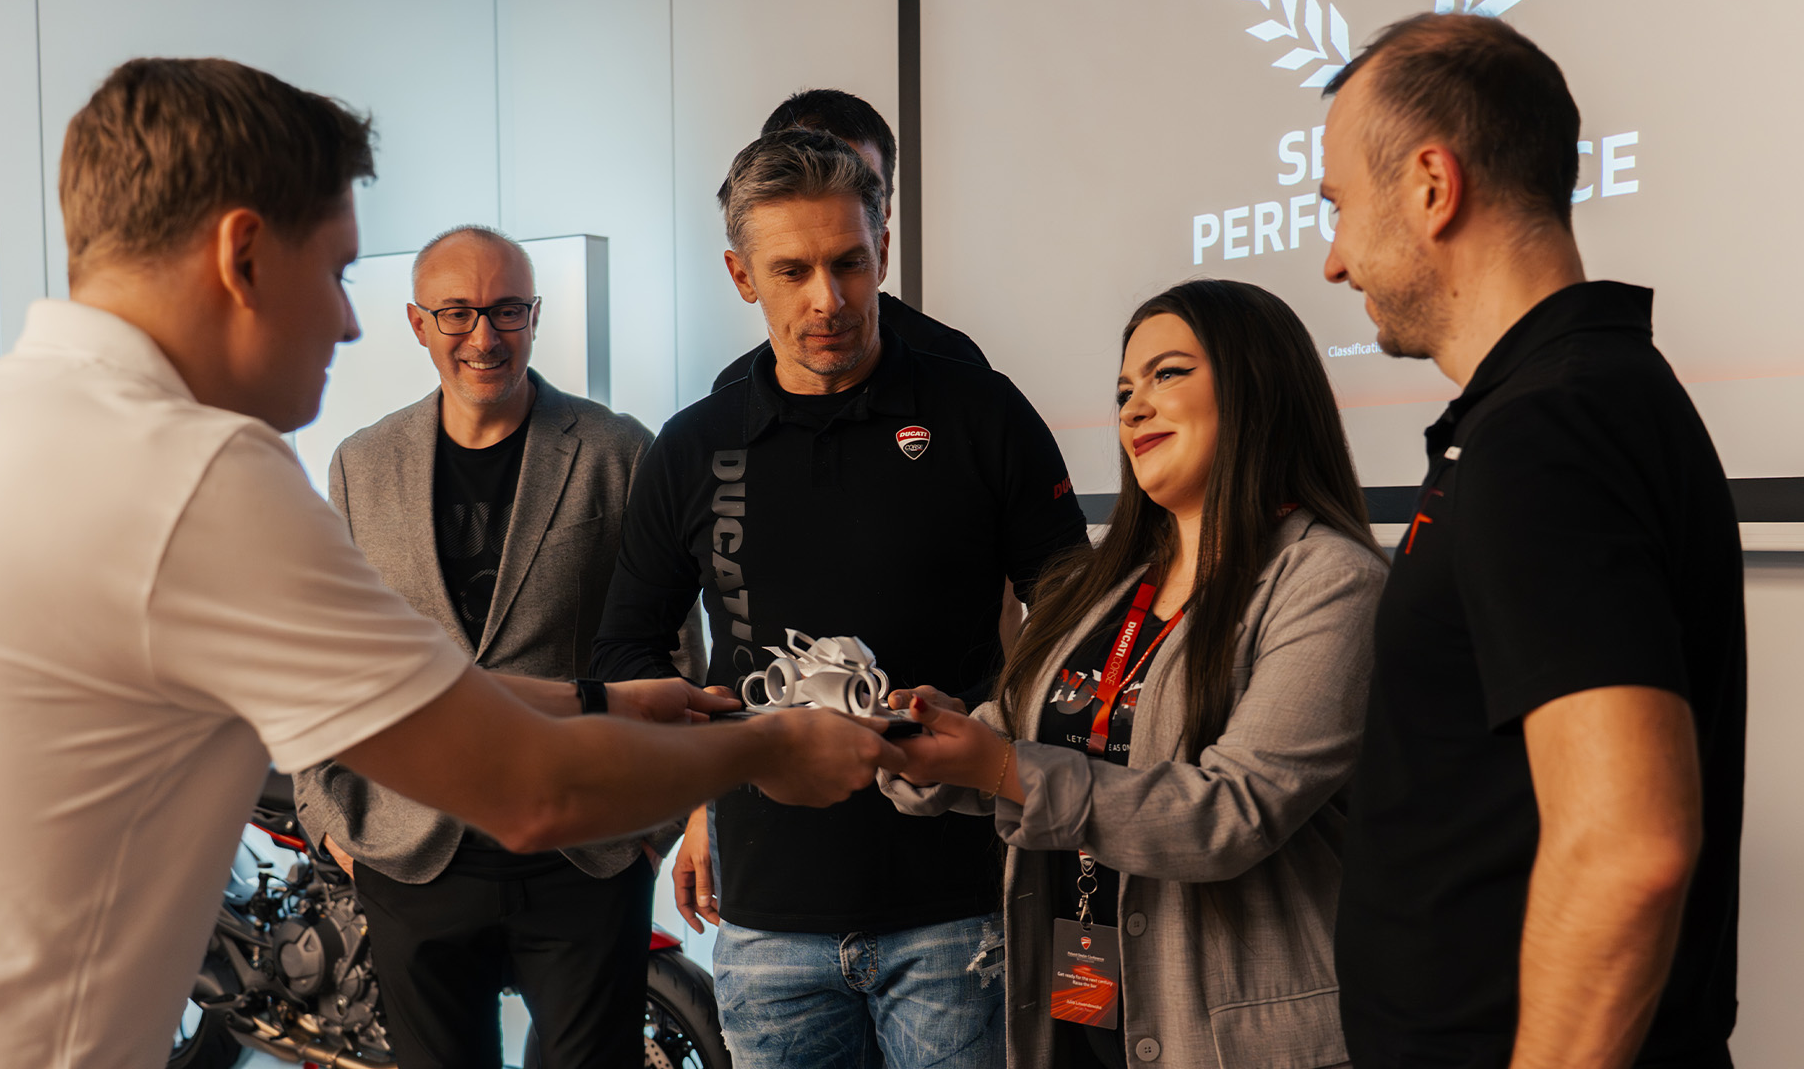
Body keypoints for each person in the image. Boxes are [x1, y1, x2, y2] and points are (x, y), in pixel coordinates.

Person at [0, 57, 906, 1069]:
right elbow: (531, 790)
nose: (349, 321)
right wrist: (768, 749)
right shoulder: (199, 475)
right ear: (243, 255)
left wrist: (596, 698)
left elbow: (399, 689)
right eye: (337, 272)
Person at [590, 127, 1088, 1068]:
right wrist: (710, 765)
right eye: (793, 271)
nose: (828, 299)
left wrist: (995, 734)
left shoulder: (982, 414)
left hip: (958, 907)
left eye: (849, 263)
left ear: (883, 252)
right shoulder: (694, 446)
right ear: (742, 276)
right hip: (767, 921)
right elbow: (625, 650)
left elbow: (1079, 626)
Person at [1318, 14, 1745, 1069]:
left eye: (1339, 207)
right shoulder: (1564, 406)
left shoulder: (1548, 431)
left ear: (1432, 186)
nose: (1333, 261)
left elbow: (1628, 848)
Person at [880, 279, 1387, 1068]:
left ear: (1257, 386)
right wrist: (919, 739)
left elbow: (1232, 812)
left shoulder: (1333, 580)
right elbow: (1018, 735)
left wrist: (1002, 767)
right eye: (1123, 391)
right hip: (1084, 1014)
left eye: (1167, 374)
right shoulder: (1101, 584)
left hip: (1238, 1046)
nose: (1133, 409)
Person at [293, 224, 703, 1069]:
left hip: (584, 848)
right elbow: (324, 655)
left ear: (535, 316)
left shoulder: (618, 451)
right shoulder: (361, 465)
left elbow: (671, 647)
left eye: (508, 310)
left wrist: (656, 825)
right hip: (411, 851)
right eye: (458, 313)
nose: (484, 337)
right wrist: (331, 819)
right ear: (418, 323)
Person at [709, 88, 986, 391]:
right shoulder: (733, 389)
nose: (828, 302)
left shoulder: (955, 368)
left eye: (860, 183)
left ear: (883, 214)